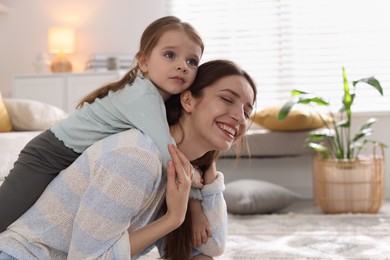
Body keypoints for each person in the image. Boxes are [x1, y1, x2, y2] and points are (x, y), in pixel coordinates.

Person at [0, 59, 257, 259]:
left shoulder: (180, 168)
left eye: (247, 110)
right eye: (227, 100)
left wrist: (209, 172)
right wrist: (172, 219)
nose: (240, 117)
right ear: (188, 100)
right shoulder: (137, 158)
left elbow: (211, 247)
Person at [0, 15, 208, 235]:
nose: (182, 66)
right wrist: (195, 201)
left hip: (69, 159)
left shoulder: (161, 100)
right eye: (170, 55)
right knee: (5, 216)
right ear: (144, 61)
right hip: (48, 156)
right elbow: (169, 154)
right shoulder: (142, 95)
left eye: (191, 61)